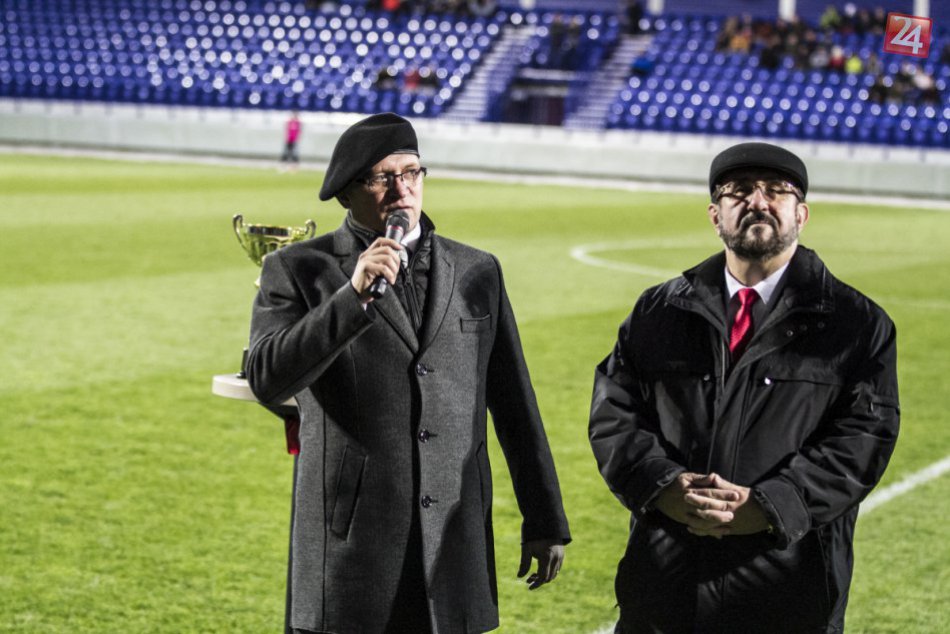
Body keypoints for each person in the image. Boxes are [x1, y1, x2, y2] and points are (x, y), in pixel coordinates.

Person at [246, 113, 571, 633]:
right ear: (347, 194)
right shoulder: (299, 268)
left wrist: (545, 517)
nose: (402, 189)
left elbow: (513, 400)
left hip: (454, 545)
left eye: (412, 172)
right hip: (349, 547)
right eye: (382, 178)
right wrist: (350, 298)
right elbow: (266, 377)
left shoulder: (477, 270)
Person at [589, 142, 899, 633]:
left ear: (802, 213)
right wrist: (662, 485)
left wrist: (770, 506)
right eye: (739, 192)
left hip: (787, 587)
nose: (758, 201)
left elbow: (862, 441)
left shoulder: (857, 324)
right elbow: (615, 412)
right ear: (716, 216)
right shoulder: (658, 311)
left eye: (777, 191)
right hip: (666, 582)